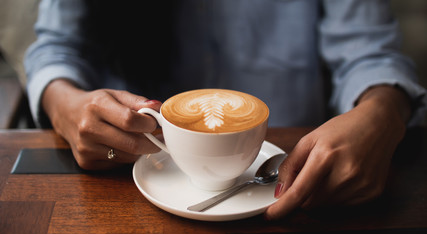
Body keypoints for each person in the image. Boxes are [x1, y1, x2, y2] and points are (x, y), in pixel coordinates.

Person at [25, 0, 427, 220]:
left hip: (304, 182)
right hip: (126, 191)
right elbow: (56, 48)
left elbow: (370, 53)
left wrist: (383, 111)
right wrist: (68, 105)